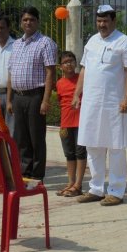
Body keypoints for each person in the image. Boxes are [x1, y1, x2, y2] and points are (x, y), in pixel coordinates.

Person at [73, 5, 127, 206]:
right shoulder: (92, 41)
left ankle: (116, 191)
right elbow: (84, 69)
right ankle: (96, 188)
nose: (102, 24)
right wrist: (77, 93)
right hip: (91, 103)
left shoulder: (124, 42)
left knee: (115, 146)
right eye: (99, 21)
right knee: (93, 145)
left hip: (113, 104)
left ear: (113, 21)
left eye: (105, 21)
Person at [7, 6, 57, 181]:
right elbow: (10, 72)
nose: (28, 22)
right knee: (21, 137)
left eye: (32, 19)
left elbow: (50, 72)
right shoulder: (16, 44)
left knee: (36, 137)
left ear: (38, 22)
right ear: (21, 23)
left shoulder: (45, 43)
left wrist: (45, 100)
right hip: (18, 97)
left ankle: (36, 175)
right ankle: (23, 173)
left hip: (36, 96)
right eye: (25, 20)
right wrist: (9, 100)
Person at [55, 51, 87, 197]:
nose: (69, 64)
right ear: (60, 66)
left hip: (81, 121)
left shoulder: (82, 79)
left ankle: (78, 185)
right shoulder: (59, 83)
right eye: (66, 62)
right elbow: (60, 102)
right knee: (69, 154)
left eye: (72, 61)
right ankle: (70, 183)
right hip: (66, 122)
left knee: (80, 152)